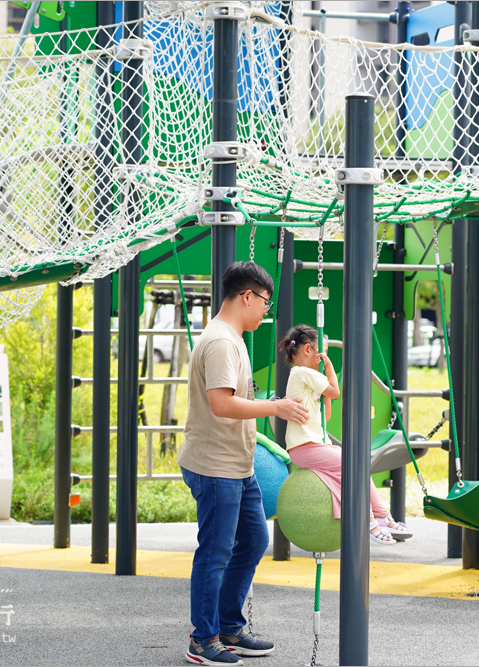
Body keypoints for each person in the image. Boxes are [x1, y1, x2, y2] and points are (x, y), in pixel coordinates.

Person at [178, 261, 310, 666]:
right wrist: (277, 407)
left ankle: (229, 627)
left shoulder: (232, 338)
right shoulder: (220, 342)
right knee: (215, 552)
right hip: (215, 465)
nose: (266, 312)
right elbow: (220, 403)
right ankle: (202, 640)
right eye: (265, 302)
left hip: (237, 464)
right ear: (247, 296)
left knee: (253, 540)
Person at [278, 324, 413, 544]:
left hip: (311, 446)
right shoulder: (303, 372)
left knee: (355, 462)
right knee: (351, 463)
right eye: (323, 353)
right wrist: (330, 369)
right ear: (307, 351)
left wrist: (324, 393)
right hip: (304, 447)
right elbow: (336, 392)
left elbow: (326, 416)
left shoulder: (304, 378)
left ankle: (381, 514)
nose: (323, 359)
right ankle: (369, 521)